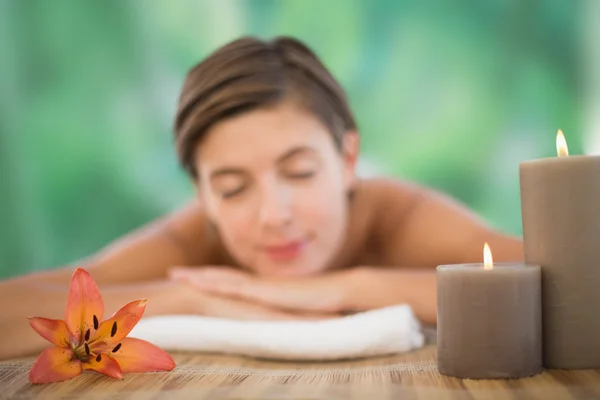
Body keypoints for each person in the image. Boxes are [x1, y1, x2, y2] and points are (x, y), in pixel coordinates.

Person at [0, 36, 523, 360]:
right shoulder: (193, 246)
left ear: (346, 160)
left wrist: (348, 288)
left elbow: (563, 279)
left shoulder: (395, 216)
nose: (275, 215)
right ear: (201, 193)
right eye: (232, 188)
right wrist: (192, 300)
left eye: (299, 172)